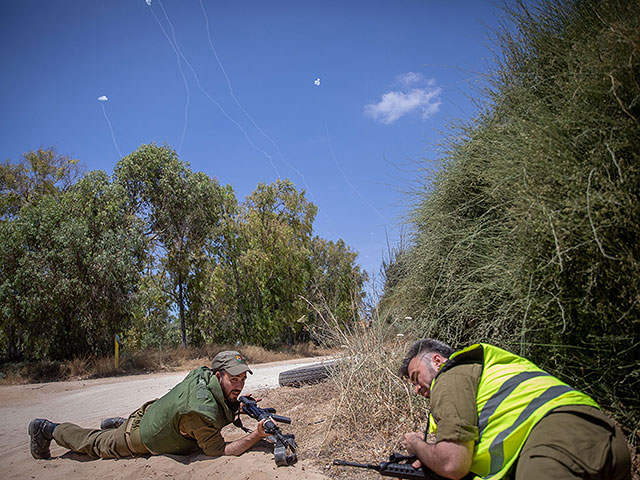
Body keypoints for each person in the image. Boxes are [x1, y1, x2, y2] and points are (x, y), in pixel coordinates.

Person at [398, 339, 631, 480]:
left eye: (416, 377)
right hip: (604, 437)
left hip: (559, 438)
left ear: (438, 361)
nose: (417, 388)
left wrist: (418, 445)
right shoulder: (484, 371)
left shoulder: (450, 376)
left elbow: (453, 463)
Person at [28, 350, 271, 460]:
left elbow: (215, 405)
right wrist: (257, 435)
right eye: (233, 379)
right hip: (141, 438)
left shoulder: (205, 376)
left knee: (117, 432)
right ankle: (48, 429)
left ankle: (117, 425)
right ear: (219, 376)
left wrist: (237, 405)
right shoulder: (198, 412)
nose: (238, 386)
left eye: (242, 380)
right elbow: (219, 451)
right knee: (94, 443)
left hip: (152, 413)